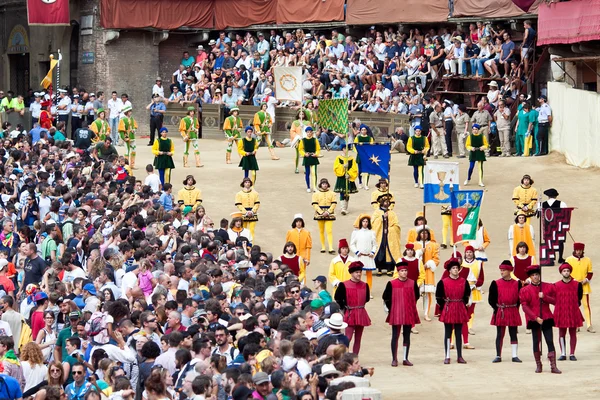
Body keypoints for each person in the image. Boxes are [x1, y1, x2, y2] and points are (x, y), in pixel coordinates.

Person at [519, 265, 561, 374]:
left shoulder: (548, 287)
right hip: (534, 319)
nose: (535, 277)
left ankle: (553, 366)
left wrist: (545, 297)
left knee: (550, 341)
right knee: (536, 342)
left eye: (537, 275)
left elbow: (556, 301)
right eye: (533, 275)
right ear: (530, 277)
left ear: (539, 275)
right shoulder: (525, 290)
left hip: (546, 317)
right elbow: (524, 306)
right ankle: (538, 364)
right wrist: (535, 317)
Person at [382, 261, 420, 366]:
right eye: (402, 271)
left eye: (405, 271)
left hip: (408, 312)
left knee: (407, 335)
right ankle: (394, 358)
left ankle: (405, 358)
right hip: (396, 312)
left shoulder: (412, 283)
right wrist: (392, 308)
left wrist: (410, 304)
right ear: (398, 272)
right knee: (395, 335)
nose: (404, 273)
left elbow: (417, 295)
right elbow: (386, 297)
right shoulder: (391, 283)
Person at [436, 258, 471, 364]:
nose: (456, 270)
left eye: (457, 268)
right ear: (449, 270)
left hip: (459, 306)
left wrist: (462, 304)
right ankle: (447, 355)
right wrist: (445, 307)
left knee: (458, 332)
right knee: (448, 332)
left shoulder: (464, 282)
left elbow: (467, 294)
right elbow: (439, 297)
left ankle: (460, 356)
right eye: (453, 268)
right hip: (448, 307)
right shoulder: (443, 282)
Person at [488, 260, 523, 363]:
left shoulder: (517, 284)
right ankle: (498, 355)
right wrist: (497, 309)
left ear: (509, 271)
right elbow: (491, 299)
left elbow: (519, 299)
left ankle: (514, 355)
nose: (501, 272)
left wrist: (514, 308)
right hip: (501, 310)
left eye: (503, 270)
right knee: (500, 334)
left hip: (512, 310)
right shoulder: (495, 283)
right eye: (501, 270)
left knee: (513, 333)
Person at [334, 261, 371, 355]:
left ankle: (355, 357)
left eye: (360, 272)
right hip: (350, 313)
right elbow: (337, 298)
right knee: (348, 337)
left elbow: (366, 298)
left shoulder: (365, 285)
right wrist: (345, 308)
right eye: (356, 272)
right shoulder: (343, 285)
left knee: (358, 338)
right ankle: (343, 356)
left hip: (361, 312)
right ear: (351, 273)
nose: (359, 274)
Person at [553, 263, 584, 361]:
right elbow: (553, 298)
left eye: (567, 271)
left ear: (570, 272)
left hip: (572, 310)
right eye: (564, 271)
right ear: (561, 272)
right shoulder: (556, 285)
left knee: (573, 333)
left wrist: (572, 306)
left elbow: (580, 297)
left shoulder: (577, 284)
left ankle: (572, 353)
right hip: (561, 311)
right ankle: (563, 353)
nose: (566, 272)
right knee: (561, 333)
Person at [566, 242, 595, 333]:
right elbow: (565, 271)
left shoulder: (587, 260)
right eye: (577, 250)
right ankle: (576, 324)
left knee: (586, 305)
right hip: (572, 286)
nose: (578, 252)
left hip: (584, 286)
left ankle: (589, 325)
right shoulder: (569, 259)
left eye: (580, 250)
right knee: (574, 305)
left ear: (583, 250)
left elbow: (590, 272)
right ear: (574, 250)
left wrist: (586, 279)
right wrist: (572, 280)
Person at [371, 194, 401, 276]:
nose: (387, 203)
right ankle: (379, 268)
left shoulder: (392, 213)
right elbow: (373, 223)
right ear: (381, 202)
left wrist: (391, 229)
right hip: (380, 235)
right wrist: (382, 217)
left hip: (389, 235)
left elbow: (396, 224)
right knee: (381, 251)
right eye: (385, 202)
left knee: (389, 251)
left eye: (388, 202)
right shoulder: (377, 212)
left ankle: (389, 268)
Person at [414, 228, 440, 321]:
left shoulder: (434, 245)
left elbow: (436, 259)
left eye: (426, 233)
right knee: (415, 294)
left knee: (427, 294)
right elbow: (412, 257)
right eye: (422, 233)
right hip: (417, 272)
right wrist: (420, 252)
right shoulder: (415, 245)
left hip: (428, 271)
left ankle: (426, 313)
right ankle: (414, 313)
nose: (424, 234)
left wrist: (427, 264)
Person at [350, 214, 377, 291]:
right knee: (358, 273)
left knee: (369, 274)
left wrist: (372, 252)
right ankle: (358, 289)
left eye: (366, 221)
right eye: (363, 221)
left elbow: (375, 245)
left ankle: (369, 291)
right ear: (361, 222)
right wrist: (357, 252)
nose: (365, 223)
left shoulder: (372, 232)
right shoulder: (356, 233)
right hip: (359, 256)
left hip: (368, 256)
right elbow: (352, 244)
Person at [462, 246, 484, 336]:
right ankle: (463, 326)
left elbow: (481, 278)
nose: (469, 254)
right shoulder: (461, 264)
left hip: (473, 289)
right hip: (462, 290)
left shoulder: (478, 263)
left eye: (470, 252)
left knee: (471, 310)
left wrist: (475, 285)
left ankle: (469, 327)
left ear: (473, 253)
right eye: (467, 252)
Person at [542, 188, 567, 264]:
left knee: (549, 241)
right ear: (556, 196)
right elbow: (565, 214)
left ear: (548, 196)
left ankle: (551, 258)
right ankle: (560, 258)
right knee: (560, 241)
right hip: (558, 225)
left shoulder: (543, 204)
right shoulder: (562, 203)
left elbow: (540, 214)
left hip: (548, 225)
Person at [312, 178, 336, 254]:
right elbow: (314, 204)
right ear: (320, 185)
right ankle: (323, 246)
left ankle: (330, 247)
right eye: (323, 184)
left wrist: (328, 212)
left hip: (329, 214)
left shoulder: (332, 193)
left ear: (327, 185)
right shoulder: (316, 194)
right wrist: (321, 212)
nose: (324, 185)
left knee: (329, 231)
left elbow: (334, 203)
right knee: (321, 231)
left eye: (325, 184)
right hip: (320, 214)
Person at [333, 144, 358, 215]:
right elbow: (336, 167)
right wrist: (343, 167)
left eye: (347, 148)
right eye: (344, 148)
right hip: (341, 177)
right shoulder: (339, 158)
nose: (346, 150)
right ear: (342, 149)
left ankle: (345, 207)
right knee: (342, 192)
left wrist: (349, 174)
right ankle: (342, 208)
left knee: (347, 193)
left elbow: (354, 168)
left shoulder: (351, 158)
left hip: (348, 178)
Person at [298, 127, 320, 193]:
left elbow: (318, 148)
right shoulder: (303, 140)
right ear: (306, 133)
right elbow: (300, 149)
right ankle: (308, 186)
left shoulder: (315, 140)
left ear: (312, 133)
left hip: (313, 157)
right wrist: (304, 154)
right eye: (308, 132)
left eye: (310, 132)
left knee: (314, 173)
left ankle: (314, 187)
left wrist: (316, 154)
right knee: (307, 173)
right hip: (307, 157)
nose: (309, 133)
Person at [353, 124, 374, 189]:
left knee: (368, 170)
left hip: (367, 156)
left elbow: (372, 147)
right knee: (360, 170)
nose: (364, 131)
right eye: (362, 130)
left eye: (365, 130)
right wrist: (359, 151)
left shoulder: (370, 138)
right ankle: (360, 182)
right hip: (360, 155)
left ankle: (366, 184)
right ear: (360, 131)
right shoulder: (358, 138)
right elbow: (355, 146)